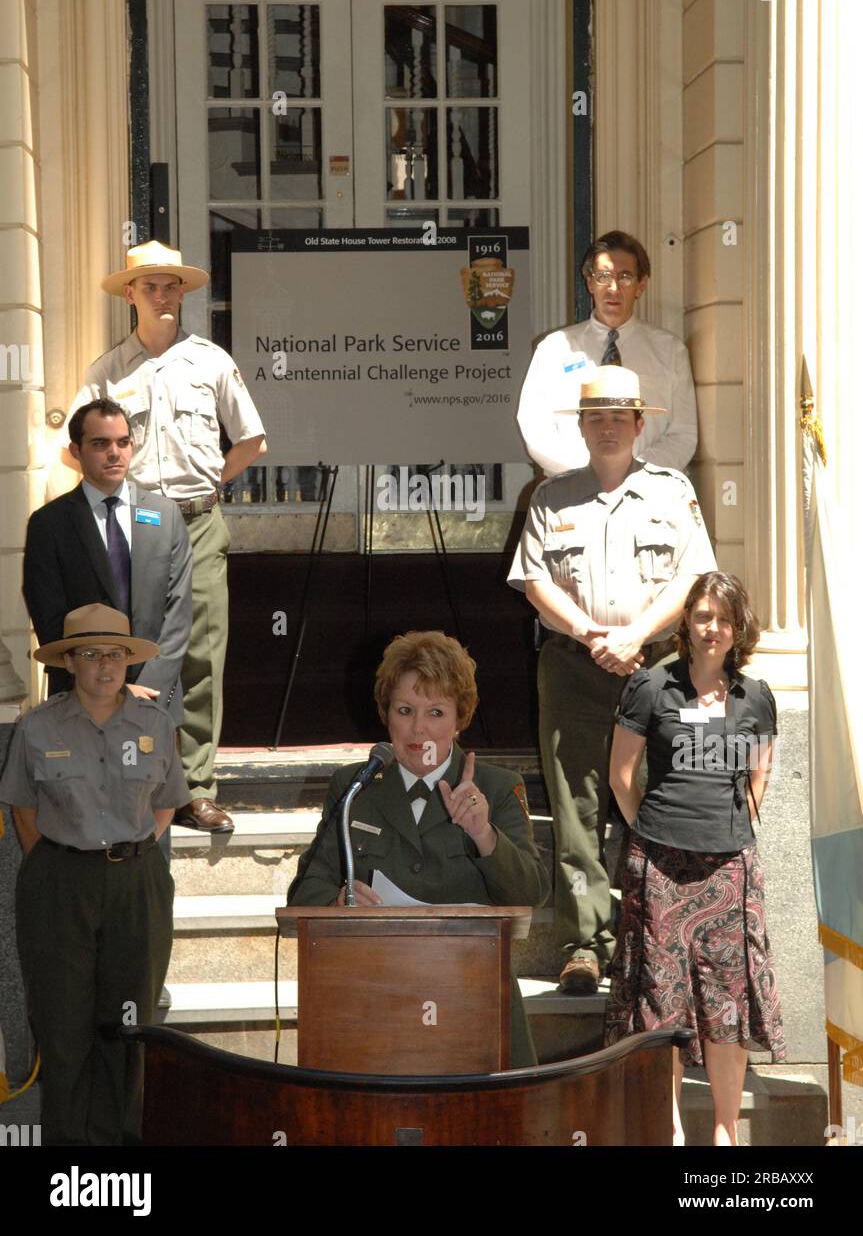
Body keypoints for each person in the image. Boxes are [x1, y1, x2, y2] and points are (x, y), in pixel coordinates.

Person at [508, 365, 716, 995]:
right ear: (581, 425)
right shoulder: (551, 497)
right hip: (574, 669)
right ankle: (584, 947)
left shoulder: (671, 491)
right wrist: (592, 636)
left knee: (660, 799)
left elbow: (691, 579)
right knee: (577, 808)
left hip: (656, 670)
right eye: (594, 417)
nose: (606, 428)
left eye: (617, 417)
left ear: (639, 423)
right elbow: (536, 583)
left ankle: (655, 936)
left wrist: (633, 636)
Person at [63, 241, 268, 833]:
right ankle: (136, 779)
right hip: (137, 526)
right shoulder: (107, 372)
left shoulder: (210, 362)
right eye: (150, 286)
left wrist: (211, 486)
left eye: (172, 285)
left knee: (203, 654)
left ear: (184, 292)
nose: (163, 295)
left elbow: (252, 440)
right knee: (137, 653)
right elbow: (75, 449)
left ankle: (196, 790)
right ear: (130, 295)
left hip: (199, 522)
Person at [288, 630, 550, 1067]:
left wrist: (484, 834)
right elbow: (305, 889)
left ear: (460, 718)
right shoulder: (355, 786)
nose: (419, 728)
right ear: (386, 714)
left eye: (436, 712)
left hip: (476, 998)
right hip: (376, 994)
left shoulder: (498, 787)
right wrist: (338, 902)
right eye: (405, 710)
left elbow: (530, 894)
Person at [604, 572, 786, 1146]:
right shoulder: (651, 687)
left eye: (725, 618)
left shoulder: (754, 696)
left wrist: (726, 826)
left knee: (726, 1003)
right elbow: (621, 775)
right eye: (704, 615)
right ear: (687, 622)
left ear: (739, 628)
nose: (714, 628)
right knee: (663, 1002)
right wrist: (653, 833)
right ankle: (672, 1128)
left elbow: (760, 773)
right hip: (660, 868)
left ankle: (726, 1134)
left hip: (729, 867)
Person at [0, 604, 188, 1145]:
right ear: (70, 663)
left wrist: (134, 854)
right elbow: (24, 809)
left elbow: (167, 804)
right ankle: (67, 1154)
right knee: (62, 1026)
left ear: (129, 661)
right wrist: (63, 864)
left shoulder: (156, 725)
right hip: (61, 884)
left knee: (129, 1023)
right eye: (91, 655)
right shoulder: (38, 727)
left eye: (116, 655)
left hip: (136, 884)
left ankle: (118, 1156)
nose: (105, 667)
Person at [24, 397, 192, 720]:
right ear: (76, 451)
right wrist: (111, 688)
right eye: (100, 443)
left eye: (123, 442)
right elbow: (50, 619)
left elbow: (179, 617)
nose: (114, 453)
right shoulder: (49, 524)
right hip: (79, 704)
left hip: (156, 702)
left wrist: (147, 689)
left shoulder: (166, 515)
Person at [516, 230, 697, 476]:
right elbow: (534, 425)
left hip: (648, 496)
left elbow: (683, 433)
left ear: (641, 285)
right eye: (603, 276)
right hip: (571, 494)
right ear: (590, 283)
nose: (613, 288)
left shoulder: (670, 351)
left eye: (624, 277)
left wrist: (636, 474)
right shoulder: (553, 349)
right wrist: (586, 474)